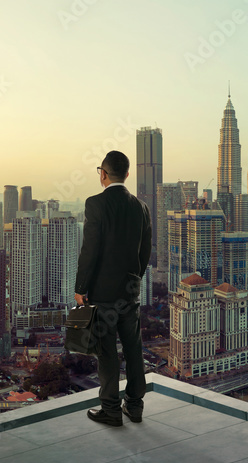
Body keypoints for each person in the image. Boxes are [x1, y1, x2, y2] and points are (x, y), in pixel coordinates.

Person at [74, 150, 151, 427]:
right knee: (133, 349)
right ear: (127, 174)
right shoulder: (141, 207)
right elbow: (146, 251)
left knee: (107, 352)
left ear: (103, 174)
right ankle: (135, 406)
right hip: (130, 293)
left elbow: (89, 250)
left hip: (103, 294)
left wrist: (81, 286)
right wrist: (135, 279)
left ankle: (110, 409)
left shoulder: (95, 204)